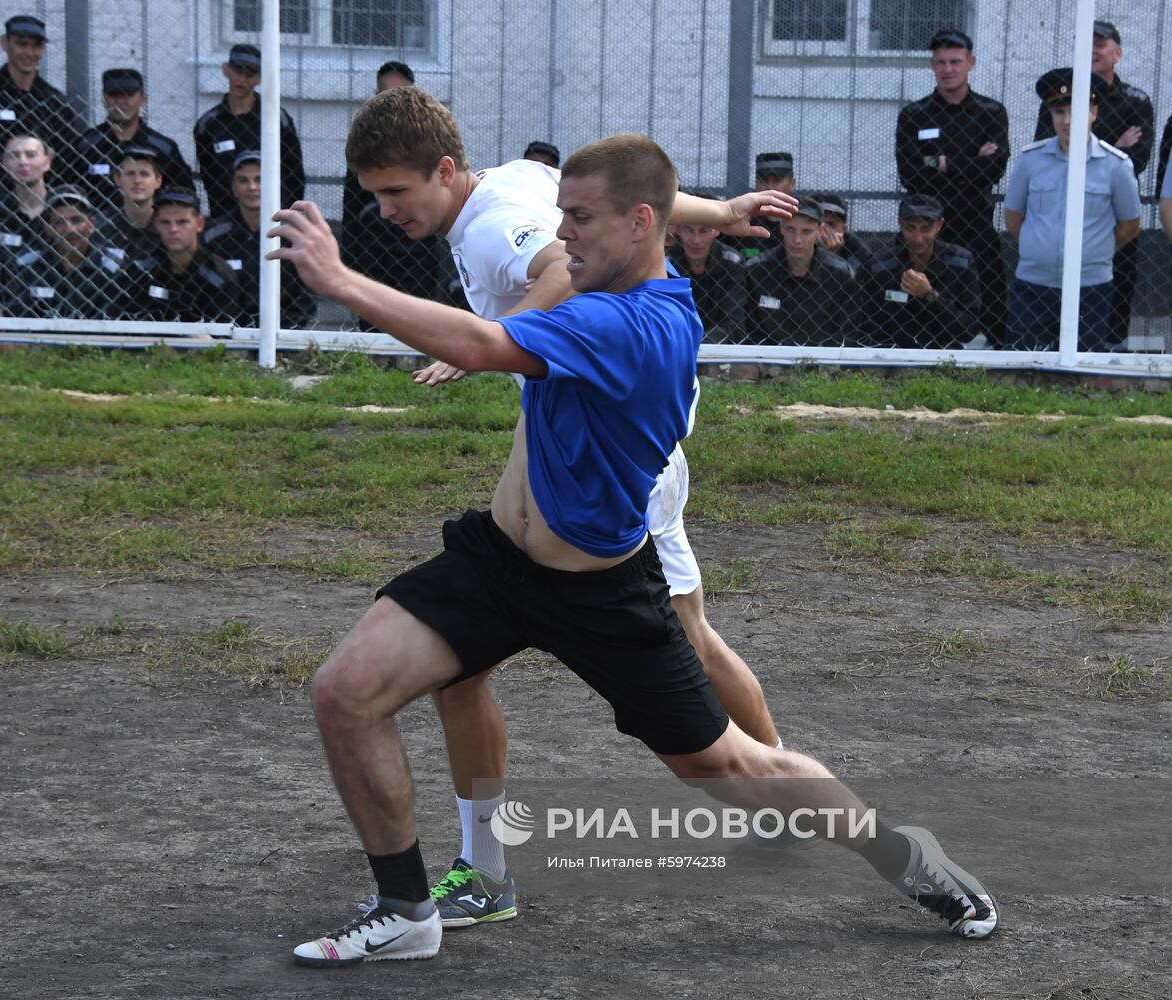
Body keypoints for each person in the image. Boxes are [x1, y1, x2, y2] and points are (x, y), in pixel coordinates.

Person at [269, 133, 999, 966]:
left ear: (637, 225)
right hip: (496, 562)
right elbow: (623, 210)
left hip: (599, 592)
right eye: (559, 213)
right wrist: (721, 211)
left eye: (578, 220)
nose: (561, 236)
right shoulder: (595, 272)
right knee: (346, 693)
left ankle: (900, 852)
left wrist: (337, 282)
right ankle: (406, 908)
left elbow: (478, 344)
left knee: (731, 767)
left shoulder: (631, 324)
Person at [336, 86, 788, 931]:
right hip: (571, 458)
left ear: (444, 171)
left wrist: (498, 348)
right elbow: (622, 196)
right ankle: (484, 867)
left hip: (623, 468)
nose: (386, 211)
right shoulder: (516, 178)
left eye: (395, 193)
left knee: (686, 648)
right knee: (457, 671)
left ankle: (778, 800)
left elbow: (552, 268)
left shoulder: (489, 227)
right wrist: (719, 210)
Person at [1032, 21, 1152, 347]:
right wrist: (1115, 145)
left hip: (1111, 208)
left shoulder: (1135, 101)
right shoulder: (1060, 95)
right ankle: (1053, 345)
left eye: (1100, 44)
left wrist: (1095, 151)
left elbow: (1136, 159)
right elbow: (1049, 150)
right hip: (1060, 206)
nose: (1093, 51)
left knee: (1120, 275)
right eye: (1087, 43)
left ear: (1118, 52)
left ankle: (1111, 348)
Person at [1003, 69, 1140, 351]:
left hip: (1089, 288)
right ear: (1050, 115)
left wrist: (1094, 252)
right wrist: (1037, 247)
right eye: (1059, 111)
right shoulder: (1031, 160)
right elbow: (1014, 217)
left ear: (1093, 113)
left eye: (1076, 110)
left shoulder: (1116, 165)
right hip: (1033, 285)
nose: (1067, 121)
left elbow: (1130, 224)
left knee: (1084, 372)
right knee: (1023, 366)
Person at [895, 28, 1009, 349]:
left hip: (975, 221)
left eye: (955, 62)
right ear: (932, 65)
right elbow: (909, 174)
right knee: (918, 288)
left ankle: (994, 352)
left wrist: (940, 162)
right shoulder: (914, 116)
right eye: (941, 62)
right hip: (927, 225)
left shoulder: (991, 113)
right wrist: (971, 162)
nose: (948, 70)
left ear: (970, 63)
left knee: (988, 290)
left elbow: (995, 168)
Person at [340, 61, 446, 332]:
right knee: (374, 315)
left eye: (400, 95)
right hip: (374, 243)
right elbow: (352, 203)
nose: (393, 104)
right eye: (385, 95)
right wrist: (350, 254)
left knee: (418, 318)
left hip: (418, 245)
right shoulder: (364, 144)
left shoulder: (431, 142)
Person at [0, 15, 82, 206]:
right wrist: (37, 161)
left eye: (35, 46)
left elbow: (66, 160)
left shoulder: (55, 102)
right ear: (4, 43)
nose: (28, 52)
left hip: (44, 202)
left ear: (43, 49)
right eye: (21, 44)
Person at [201, 149, 316, 328]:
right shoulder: (213, 236)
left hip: (284, 335)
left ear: (274, 183)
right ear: (234, 188)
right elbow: (204, 290)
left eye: (259, 179)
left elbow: (306, 296)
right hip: (226, 334)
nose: (252, 187)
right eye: (243, 180)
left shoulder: (294, 235)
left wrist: (284, 332)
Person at [194, 44, 303, 219]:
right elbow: (209, 179)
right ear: (225, 70)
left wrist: (288, 216)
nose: (242, 79)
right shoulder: (208, 125)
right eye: (237, 71)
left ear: (260, 78)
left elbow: (294, 173)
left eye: (250, 73)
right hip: (226, 217)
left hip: (272, 216)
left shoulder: (276, 119)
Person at [861, 194, 981, 349]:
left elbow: (968, 330)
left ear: (939, 225)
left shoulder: (961, 263)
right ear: (900, 225)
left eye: (926, 228)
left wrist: (930, 295)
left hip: (944, 355)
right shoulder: (880, 266)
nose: (918, 239)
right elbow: (868, 326)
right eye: (911, 228)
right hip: (891, 354)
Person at [73, 68, 193, 218]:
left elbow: (185, 194)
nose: (121, 102)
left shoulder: (163, 148)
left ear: (143, 99)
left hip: (151, 232)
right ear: (104, 99)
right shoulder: (85, 145)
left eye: (128, 95)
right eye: (114, 95)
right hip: (97, 232)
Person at [744, 196, 861, 346]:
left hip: (823, 361)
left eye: (806, 232)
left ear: (819, 231)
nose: (797, 240)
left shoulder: (841, 275)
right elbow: (748, 329)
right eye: (790, 229)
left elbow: (847, 333)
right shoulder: (756, 271)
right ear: (781, 228)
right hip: (766, 359)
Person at [3, 185, 130, 319]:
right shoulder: (26, 264)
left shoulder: (114, 264)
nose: (70, 230)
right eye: (59, 222)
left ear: (91, 224)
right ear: (47, 228)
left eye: (77, 220)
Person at [129, 186, 239, 323]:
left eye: (182, 222)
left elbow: (222, 335)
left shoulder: (220, 276)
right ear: (156, 224)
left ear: (199, 224)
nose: (173, 229)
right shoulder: (142, 269)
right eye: (165, 222)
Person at [666, 194, 746, 343]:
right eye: (688, 230)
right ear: (677, 229)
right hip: (676, 344)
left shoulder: (732, 262)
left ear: (717, 230)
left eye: (704, 231)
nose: (696, 240)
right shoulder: (667, 262)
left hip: (720, 349)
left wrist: (703, 343)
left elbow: (735, 323)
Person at [0, 132, 52, 257]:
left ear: (46, 163)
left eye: (31, 155)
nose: (23, 162)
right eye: (14, 156)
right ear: (4, 164)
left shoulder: (65, 209)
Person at [732, 151, 795, 261]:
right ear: (756, 184)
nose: (769, 186)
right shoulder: (741, 220)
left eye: (777, 180)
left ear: (792, 183)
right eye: (764, 180)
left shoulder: (803, 223)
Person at [105, 144, 164, 259]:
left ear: (158, 181)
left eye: (144, 174)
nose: (137, 181)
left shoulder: (169, 226)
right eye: (130, 174)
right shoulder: (103, 225)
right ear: (117, 179)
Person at [812, 191, 872, 276]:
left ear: (844, 229)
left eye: (830, 224)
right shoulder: (793, 245)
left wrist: (832, 257)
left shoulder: (859, 255)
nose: (823, 230)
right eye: (817, 222)